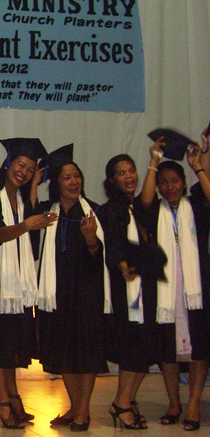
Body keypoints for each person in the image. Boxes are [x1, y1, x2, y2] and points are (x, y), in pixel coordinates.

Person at [0, 138, 56, 429]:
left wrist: (33, 219)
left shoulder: (20, 198)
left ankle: (12, 395)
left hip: (16, 284)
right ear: (8, 163)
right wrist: (25, 226)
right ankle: (1, 401)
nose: (23, 172)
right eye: (21, 165)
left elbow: (29, 236)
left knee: (12, 344)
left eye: (30, 169)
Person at [136, 133, 210, 431]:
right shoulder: (156, 210)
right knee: (167, 348)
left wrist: (198, 167)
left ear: (183, 182)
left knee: (200, 346)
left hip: (197, 289)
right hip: (164, 290)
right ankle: (173, 403)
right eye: (164, 182)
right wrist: (154, 162)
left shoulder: (197, 206)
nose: (169, 186)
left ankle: (193, 404)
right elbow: (144, 201)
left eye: (175, 181)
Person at [36, 144, 109, 432]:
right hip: (56, 292)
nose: (73, 181)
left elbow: (100, 257)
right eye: (66, 177)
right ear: (56, 182)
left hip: (86, 291)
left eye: (76, 176)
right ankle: (74, 405)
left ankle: (83, 409)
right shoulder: (47, 213)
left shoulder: (94, 213)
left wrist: (91, 238)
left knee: (86, 350)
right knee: (63, 349)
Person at [98, 154, 159, 430]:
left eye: (131, 171)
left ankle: (128, 400)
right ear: (112, 180)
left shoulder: (136, 207)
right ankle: (121, 403)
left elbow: (148, 198)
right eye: (121, 173)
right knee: (133, 346)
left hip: (143, 284)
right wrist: (124, 267)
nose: (129, 176)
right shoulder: (112, 209)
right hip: (125, 288)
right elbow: (113, 246)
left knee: (144, 346)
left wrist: (154, 161)